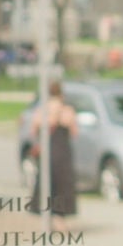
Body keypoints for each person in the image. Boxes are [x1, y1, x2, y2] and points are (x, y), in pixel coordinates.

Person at [29, 79, 79, 230]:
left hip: (47, 152)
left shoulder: (42, 110)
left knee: (46, 183)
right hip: (62, 151)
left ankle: (46, 218)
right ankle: (60, 219)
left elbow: (33, 131)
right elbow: (74, 133)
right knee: (62, 185)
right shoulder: (67, 110)